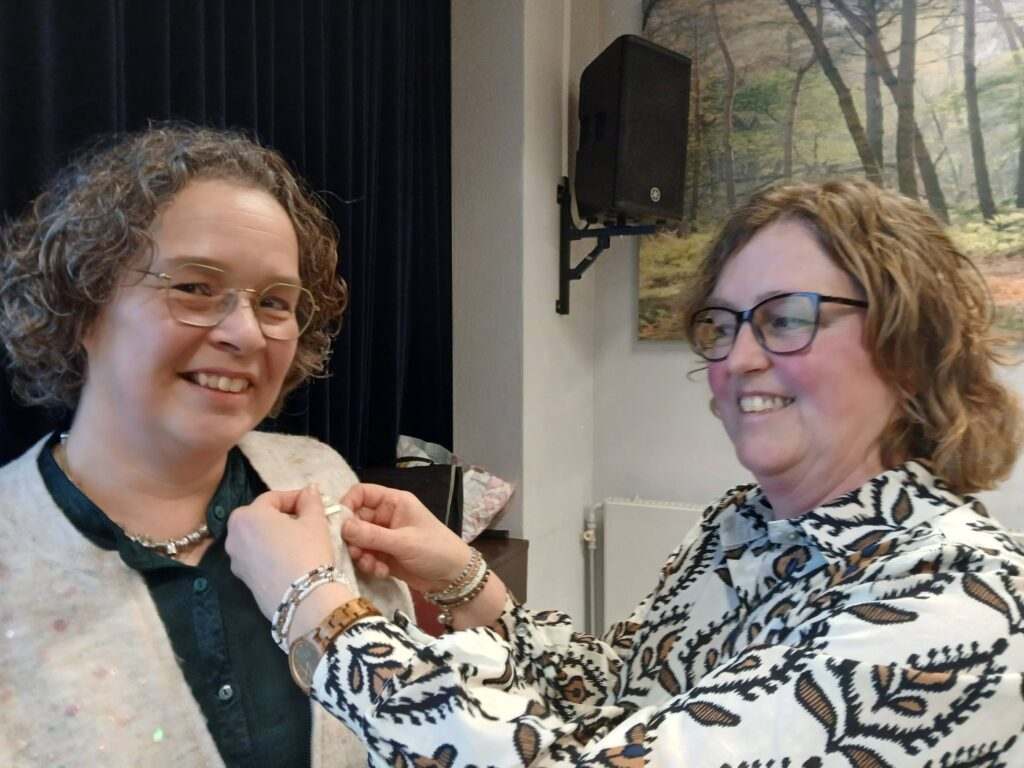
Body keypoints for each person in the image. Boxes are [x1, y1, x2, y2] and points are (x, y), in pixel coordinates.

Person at [227, 178, 1024, 766]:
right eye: (723, 325)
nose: (739, 359)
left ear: (910, 347)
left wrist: (315, 610)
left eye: (785, 319)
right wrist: (463, 576)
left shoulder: (961, 601)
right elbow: (616, 693)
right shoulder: (742, 523)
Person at [0, 125, 413, 767]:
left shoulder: (320, 481)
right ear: (83, 304)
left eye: (274, 302)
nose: (246, 334)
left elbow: (407, 730)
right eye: (194, 287)